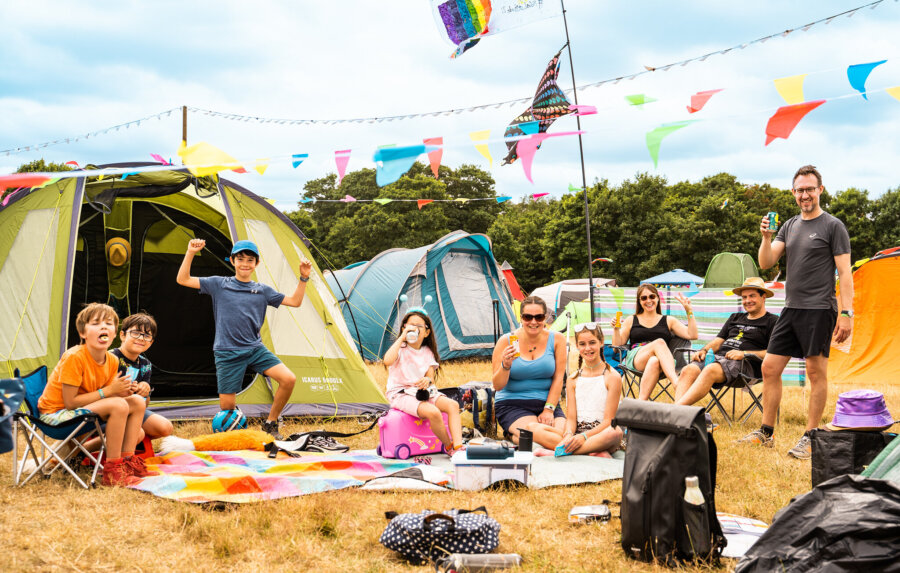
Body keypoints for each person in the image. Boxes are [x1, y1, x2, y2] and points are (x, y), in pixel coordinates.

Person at [740, 165, 853, 459]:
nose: (805, 195)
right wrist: (765, 237)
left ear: (820, 190)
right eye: (800, 190)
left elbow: (845, 272)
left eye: (810, 189)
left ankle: (811, 437)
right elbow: (765, 263)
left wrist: (847, 313)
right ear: (794, 193)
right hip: (791, 310)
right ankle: (766, 433)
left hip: (819, 310)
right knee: (769, 368)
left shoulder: (833, 226)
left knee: (816, 373)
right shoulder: (788, 226)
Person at [177, 238, 312, 439]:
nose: (245, 263)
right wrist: (190, 252)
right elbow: (183, 279)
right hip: (227, 351)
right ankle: (235, 420)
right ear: (232, 261)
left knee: (288, 379)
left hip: (255, 349)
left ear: (256, 264)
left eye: (250, 260)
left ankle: (271, 423)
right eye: (240, 259)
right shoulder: (218, 284)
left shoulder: (263, 290)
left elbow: (295, 302)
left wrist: (303, 278)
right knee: (227, 410)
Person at [36, 303, 157, 486]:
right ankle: (113, 470)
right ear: (83, 333)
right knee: (119, 404)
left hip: (84, 413)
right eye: (95, 323)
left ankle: (127, 462)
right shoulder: (74, 357)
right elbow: (70, 403)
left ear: (115, 333)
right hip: (57, 416)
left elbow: (112, 396)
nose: (103, 327)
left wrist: (129, 390)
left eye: (108, 323)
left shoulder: (113, 360)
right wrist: (109, 391)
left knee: (136, 402)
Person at [674, 277, 778, 407]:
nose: (747, 301)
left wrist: (744, 353)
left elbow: (774, 353)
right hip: (719, 359)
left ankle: (675, 411)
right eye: (744, 297)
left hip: (745, 365)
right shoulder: (735, 317)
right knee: (688, 370)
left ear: (764, 297)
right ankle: (679, 414)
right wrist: (704, 350)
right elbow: (718, 342)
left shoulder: (773, 321)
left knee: (710, 369)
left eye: (752, 296)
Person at [526, 322, 623, 455]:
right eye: (582, 344)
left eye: (592, 343)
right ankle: (589, 452)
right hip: (577, 432)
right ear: (577, 346)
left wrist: (584, 437)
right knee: (531, 427)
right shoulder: (573, 379)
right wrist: (569, 435)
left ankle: (560, 452)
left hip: (601, 433)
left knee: (615, 432)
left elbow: (608, 421)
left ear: (601, 342)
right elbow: (571, 419)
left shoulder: (612, 376)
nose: (587, 348)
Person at [382, 308, 463, 455]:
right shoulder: (400, 348)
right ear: (404, 328)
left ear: (426, 332)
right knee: (434, 412)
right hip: (401, 394)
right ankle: (449, 446)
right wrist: (401, 338)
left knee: (453, 405)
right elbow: (387, 360)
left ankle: (459, 446)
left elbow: (430, 376)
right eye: (410, 325)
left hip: (422, 392)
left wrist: (427, 380)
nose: (414, 329)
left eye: (419, 326)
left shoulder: (427, 351)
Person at [491, 296, 567, 443]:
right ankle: (580, 448)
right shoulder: (506, 341)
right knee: (542, 436)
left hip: (547, 403)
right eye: (528, 317)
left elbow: (558, 378)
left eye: (538, 317)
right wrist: (505, 365)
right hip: (513, 403)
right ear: (521, 318)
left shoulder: (557, 339)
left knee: (558, 435)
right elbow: (497, 385)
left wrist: (549, 409)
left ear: (545, 318)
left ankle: (518, 438)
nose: (533, 322)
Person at [612, 285, 698, 400]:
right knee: (659, 343)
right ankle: (676, 383)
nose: (648, 300)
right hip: (638, 358)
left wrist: (689, 311)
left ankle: (640, 404)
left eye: (652, 296)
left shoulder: (668, 320)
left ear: (657, 298)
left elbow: (692, 335)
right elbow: (616, 347)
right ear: (639, 301)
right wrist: (616, 329)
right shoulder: (631, 320)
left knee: (654, 360)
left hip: (663, 362)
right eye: (644, 298)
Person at [111, 313, 174, 442]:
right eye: (136, 333)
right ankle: (101, 444)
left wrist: (145, 391)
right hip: (111, 409)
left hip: (133, 410)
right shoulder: (110, 358)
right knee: (137, 432)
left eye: (146, 335)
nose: (141, 338)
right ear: (122, 335)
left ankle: (131, 441)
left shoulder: (146, 365)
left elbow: (144, 404)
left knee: (165, 428)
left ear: (151, 342)